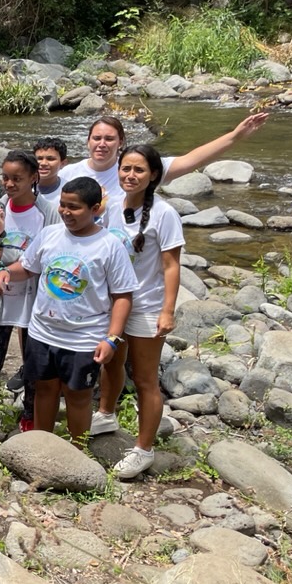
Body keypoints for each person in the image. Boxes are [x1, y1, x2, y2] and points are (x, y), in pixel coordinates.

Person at [0, 177, 138, 445]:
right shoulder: (50, 234)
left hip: (84, 338)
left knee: (78, 396)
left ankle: (77, 452)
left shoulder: (109, 246)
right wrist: (5, 273)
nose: (66, 212)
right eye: (62, 205)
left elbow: (122, 296)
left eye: (74, 207)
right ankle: (42, 447)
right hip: (42, 332)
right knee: (44, 389)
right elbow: (28, 267)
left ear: (95, 209)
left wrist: (112, 338)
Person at [92, 144, 185, 478]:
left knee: (145, 379)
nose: (130, 175)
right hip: (115, 302)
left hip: (146, 305)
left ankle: (143, 449)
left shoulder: (164, 214)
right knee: (111, 360)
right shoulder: (110, 205)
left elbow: (171, 266)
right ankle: (105, 413)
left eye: (139, 170)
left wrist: (168, 311)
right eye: (125, 169)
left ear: (154, 176)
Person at [0, 151, 59, 441]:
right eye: (6, 178)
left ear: (34, 178)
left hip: (33, 298)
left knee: (32, 358)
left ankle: (29, 416)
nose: (9, 184)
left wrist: (13, 261)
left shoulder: (47, 212)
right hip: (1, 298)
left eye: (17, 179)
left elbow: (55, 255)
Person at [59, 112, 270, 211]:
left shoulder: (138, 171)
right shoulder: (68, 173)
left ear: (120, 142)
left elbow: (191, 160)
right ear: (88, 141)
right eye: (97, 138)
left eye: (109, 138)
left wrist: (234, 136)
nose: (102, 144)